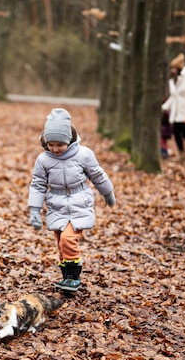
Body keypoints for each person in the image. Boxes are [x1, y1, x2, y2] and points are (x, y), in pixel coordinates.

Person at [28, 108, 116, 292]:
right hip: (56, 204)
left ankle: (74, 277)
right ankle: (66, 279)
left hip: (79, 202)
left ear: (69, 139)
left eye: (59, 144)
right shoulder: (43, 160)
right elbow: (37, 185)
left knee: (68, 240)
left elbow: (97, 175)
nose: (55, 149)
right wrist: (34, 210)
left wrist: (108, 193)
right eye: (50, 144)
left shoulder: (83, 155)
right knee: (61, 244)